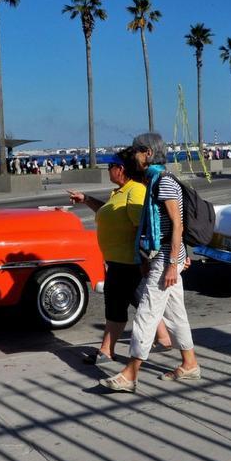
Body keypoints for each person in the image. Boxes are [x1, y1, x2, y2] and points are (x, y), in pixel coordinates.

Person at [99, 132, 200, 393]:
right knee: (176, 314)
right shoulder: (154, 179)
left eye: (136, 151)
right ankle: (190, 364)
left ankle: (130, 374)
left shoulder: (163, 181)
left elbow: (176, 224)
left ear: (148, 153)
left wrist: (171, 264)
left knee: (146, 313)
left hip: (166, 259)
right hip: (163, 257)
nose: (133, 155)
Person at [69, 150, 174, 366]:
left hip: (129, 262)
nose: (108, 170)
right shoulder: (119, 192)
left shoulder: (135, 191)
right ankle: (162, 338)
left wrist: (145, 261)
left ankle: (107, 351)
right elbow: (109, 211)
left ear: (121, 169)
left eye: (110, 167)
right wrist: (86, 199)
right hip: (118, 262)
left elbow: (144, 228)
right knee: (139, 303)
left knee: (118, 308)